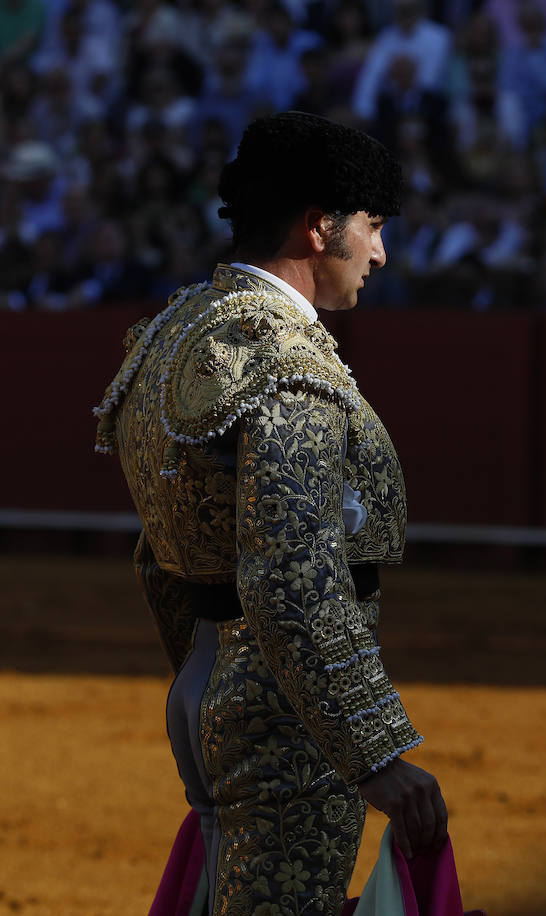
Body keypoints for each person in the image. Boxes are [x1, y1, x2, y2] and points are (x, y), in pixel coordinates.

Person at [92, 111, 447, 913]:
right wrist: (373, 753)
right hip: (285, 708)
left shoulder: (172, 334)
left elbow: (159, 556)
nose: (381, 252)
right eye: (373, 226)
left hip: (208, 680)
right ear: (321, 228)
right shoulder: (282, 359)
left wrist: (206, 682)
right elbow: (293, 572)